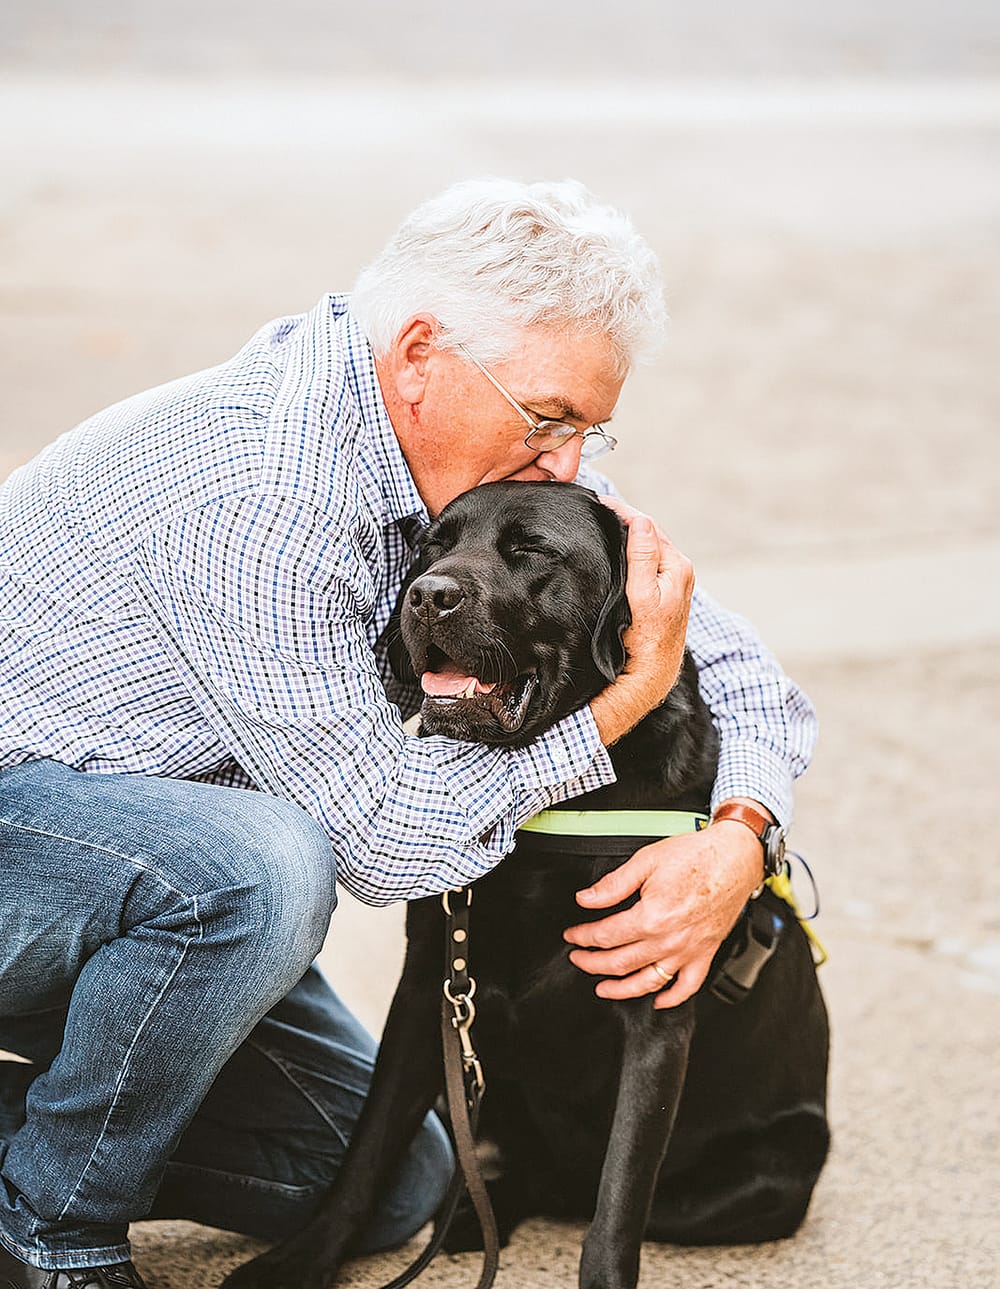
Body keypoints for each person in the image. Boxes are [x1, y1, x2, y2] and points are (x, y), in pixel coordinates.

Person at [0, 178, 815, 1288]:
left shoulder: (482, 456)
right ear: (422, 351)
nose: (570, 461)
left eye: (589, 425)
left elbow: (744, 674)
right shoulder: (260, 490)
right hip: (47, 841)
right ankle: (52, 1234)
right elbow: (380, 844)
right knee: (267, 862)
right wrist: (619, 706)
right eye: (550, 417)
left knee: (390, 1183)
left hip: (137, 874)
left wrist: (736, 838)